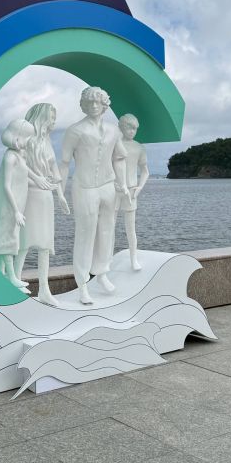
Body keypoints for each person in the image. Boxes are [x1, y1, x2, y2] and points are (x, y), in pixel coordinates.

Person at [60, 86, 129, 305]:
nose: (93, 106)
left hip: (108, 186)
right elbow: (64, 162)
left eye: (97, 102)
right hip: (85, 187)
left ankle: (102, 273)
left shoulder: (113, 130)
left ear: (104, 104)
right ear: (83, 105)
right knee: (85, 233)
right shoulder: (75, 131)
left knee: (107, 231)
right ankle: (82, 283)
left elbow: (119, 158)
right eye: (88, 102)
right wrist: (60, 191)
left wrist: (123, 183)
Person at [0, 118, 48, 293]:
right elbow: (6, 186)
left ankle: (0, 275)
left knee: (7, 238)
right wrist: (16, 211)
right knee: (8, 240)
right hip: (9, 206)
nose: (30, 141)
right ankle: (11, 278)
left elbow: (26, 170)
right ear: (17, 137)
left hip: (17, 203)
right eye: (27, 137)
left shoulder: (19, 154)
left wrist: (37, 178)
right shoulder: (10, 157)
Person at [13, 103, 70, 306]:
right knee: (24, 243)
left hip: (46, 198)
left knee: (45, 245)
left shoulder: (47, 142)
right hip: (29, 196)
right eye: (52, 118)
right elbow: (19, 168)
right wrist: (36, 179)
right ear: (42, 118)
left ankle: (44, 290)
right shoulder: (25, 140)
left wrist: (60, 195)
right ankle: (14, 286)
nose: (54, 122)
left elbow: (54, 172)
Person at [116, 113, 149, 271]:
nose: (132, 131)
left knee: (131, 228)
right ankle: (105, 260)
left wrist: (140, 187)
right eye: (129, 127)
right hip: (114, 189)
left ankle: (133, 259)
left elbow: (145, 171)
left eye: (135, 128)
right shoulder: (114, 144)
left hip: (131, 190)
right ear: (121, 127)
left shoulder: (139, 147)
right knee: (108, 227)